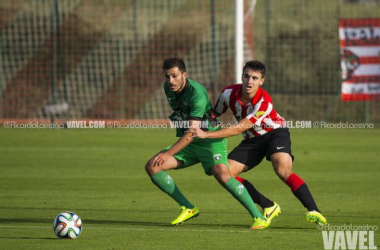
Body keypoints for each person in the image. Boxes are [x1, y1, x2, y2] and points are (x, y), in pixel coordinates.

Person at [189, 60, 327, 228]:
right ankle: (268, 206)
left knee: (282, 168)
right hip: (251, 140)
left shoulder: (264, 102)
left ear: (262, 81)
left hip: (275, 134)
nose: (249, 81)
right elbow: (213, 114)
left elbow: (239, 128)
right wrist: (194, 120)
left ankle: (314, 211)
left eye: (255, 78)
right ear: (242, 76)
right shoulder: (228, 93)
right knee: (224, 174)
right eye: (246, 76)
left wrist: (207, 135)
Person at [145, 58, 269, 229]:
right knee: (153, 166)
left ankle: (258, 217)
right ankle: (188, 208)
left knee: (223, 175)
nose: (171, 81)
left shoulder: (197, 94)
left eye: (175, 76)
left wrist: (168, 153)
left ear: (184, 75)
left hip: (210, 140)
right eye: (167, 77)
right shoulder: (168, 88)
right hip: (190, 142)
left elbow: (193, 131)